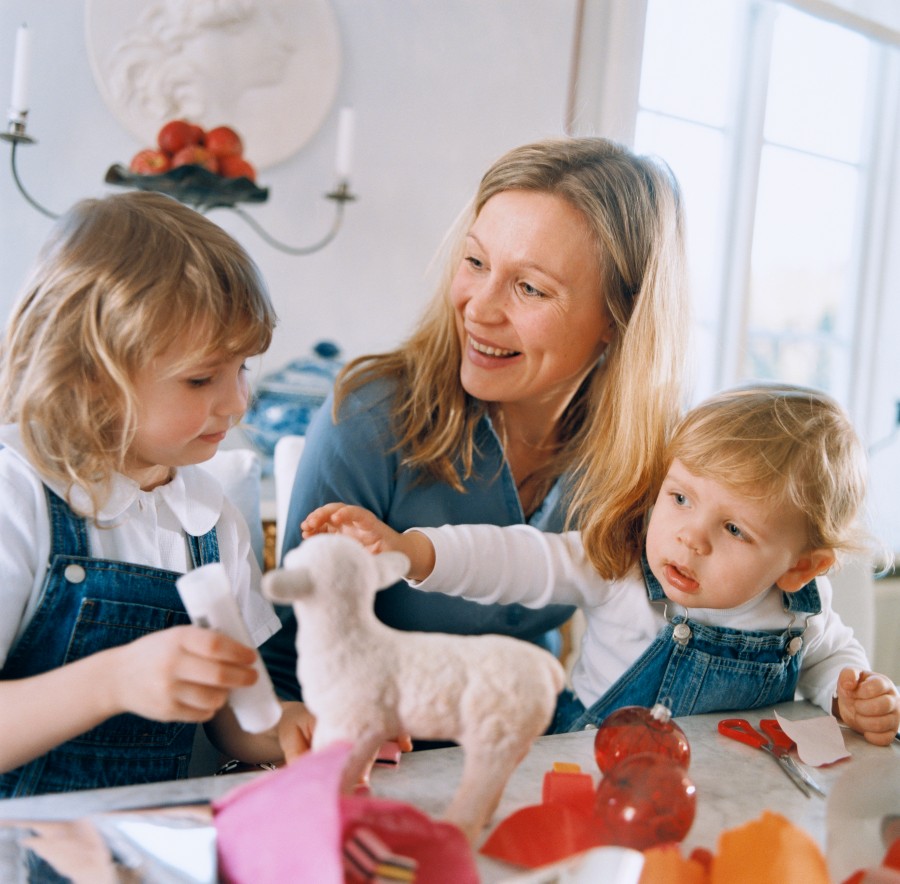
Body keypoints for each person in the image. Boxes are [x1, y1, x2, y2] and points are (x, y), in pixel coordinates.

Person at [263, 136, 690, 704]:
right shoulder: (370, 417)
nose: (479, 308)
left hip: (529, 738)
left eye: (530, 287)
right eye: (475, 262)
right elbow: (288, 669)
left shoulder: (649, 455)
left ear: (620, 316)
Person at [303, 384, 900, 746]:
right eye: (681, 498)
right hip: (577, 768)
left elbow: (828, 658)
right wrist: (413, 550)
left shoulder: (799, 609)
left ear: (800, 568)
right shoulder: (616, 561)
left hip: (722, 797)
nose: (690, 539)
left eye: (735, 529)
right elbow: (516, 558)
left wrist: (848, 693)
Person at [0, 191, 309, 797]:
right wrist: (112, 682)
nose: (238, 402)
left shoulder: (208, 520)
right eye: (201, 378)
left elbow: (239, 719)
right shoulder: (18, 495)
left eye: (242, 368)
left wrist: (297, 729)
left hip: (147, 849)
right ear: (91, 375)